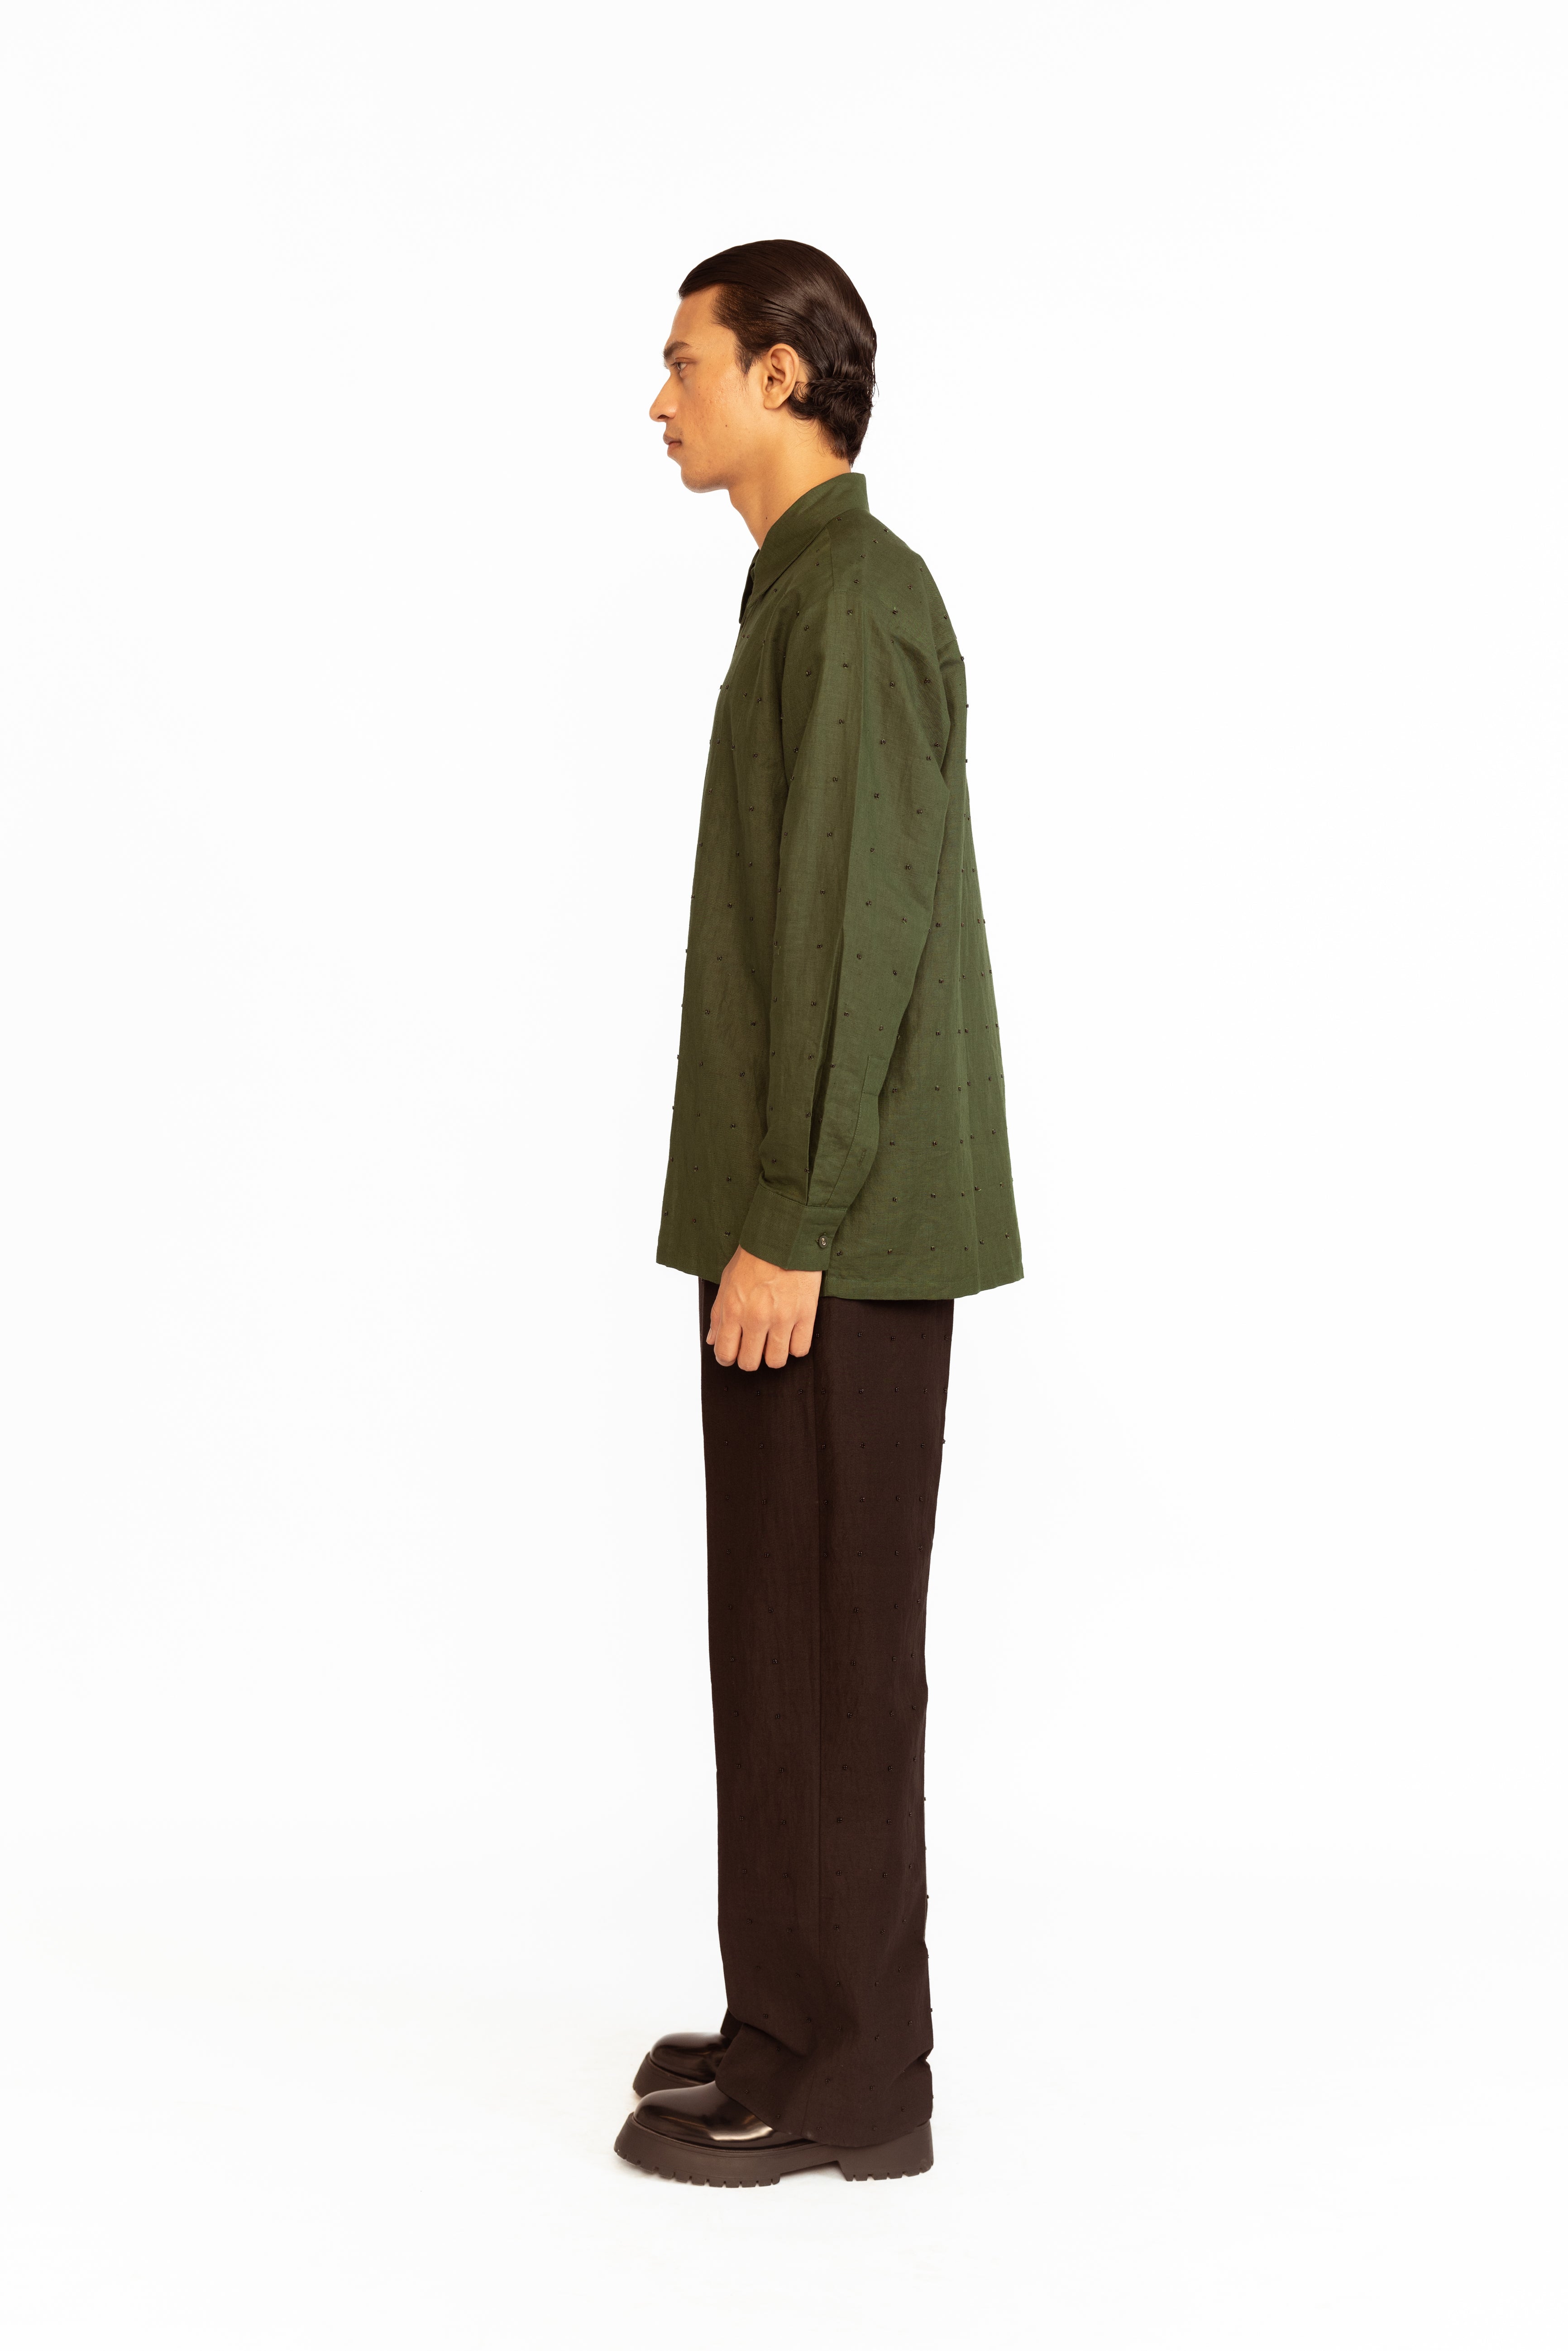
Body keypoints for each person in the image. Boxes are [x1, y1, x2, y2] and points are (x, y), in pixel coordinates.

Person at [614, 240, 1023, 2189]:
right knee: (775, 1633)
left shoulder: (855, 601)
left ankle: (860, 2082)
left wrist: (789, 1221)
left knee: (836, 1651)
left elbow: (861, 931)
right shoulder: (803, 593)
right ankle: (786, 2010)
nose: (658, 399)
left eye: (684, 361)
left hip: (837, 1241)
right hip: (795, 1227)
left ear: (782, 375)